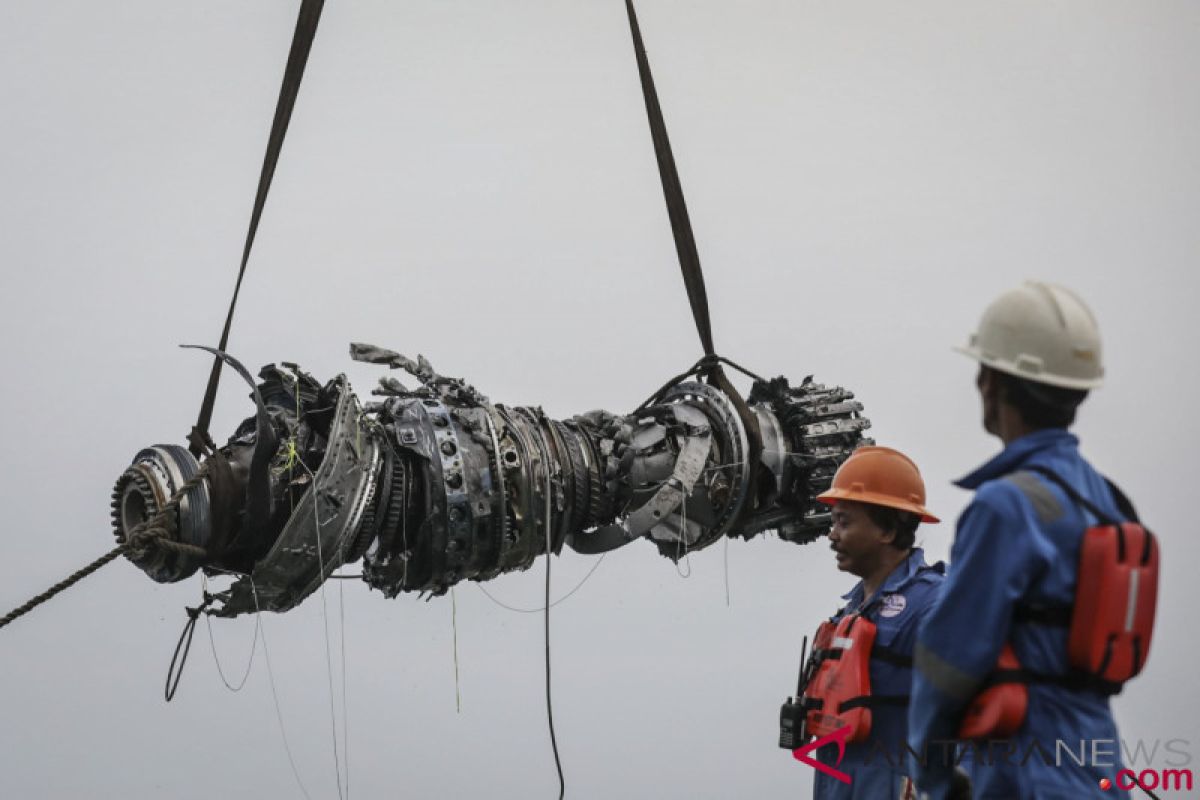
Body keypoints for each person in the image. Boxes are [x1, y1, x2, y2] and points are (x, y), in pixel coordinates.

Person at [910, 281, 1146, 799]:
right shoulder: (1107, 501)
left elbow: (947, 662)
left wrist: (934, 778)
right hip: (1099, 771)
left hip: (1024, 775)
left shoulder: (1005, 506)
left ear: (991, 381)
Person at [801, 446, 945, 799]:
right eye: (833, 521)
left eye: (844, 522)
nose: (832, 534)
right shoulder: (849, 612)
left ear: (887, 530)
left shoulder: (934, 604)